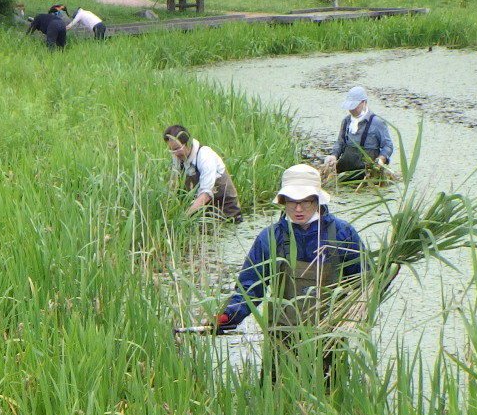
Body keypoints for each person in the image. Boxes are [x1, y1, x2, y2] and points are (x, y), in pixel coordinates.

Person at [213, 165, 365, 381]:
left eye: (305, 201)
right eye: (292, 201)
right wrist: (228, 316)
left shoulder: (341, 233)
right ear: (283, 202)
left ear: (317, 200)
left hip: (330, 339)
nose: (298, 209)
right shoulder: (271, 237)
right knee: (278, 398)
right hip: (282, 339)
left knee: (332, 399)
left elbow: (364, 281)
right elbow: (251, 287)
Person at [163, 124, 242, 222]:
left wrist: (183, 217)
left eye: (177, 149)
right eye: (171, 150)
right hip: (203, 215)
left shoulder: (205, 156)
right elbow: (173, 184)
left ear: (187, 143)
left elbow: (206, 194)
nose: (175, 154)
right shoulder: (178, 157)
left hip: (227, 214)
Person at [331, 85, 395, 182]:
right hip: (345, 172)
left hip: (367, 174)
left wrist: (381, 159)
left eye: (354, 106)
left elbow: (388, 145)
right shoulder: (346, 121)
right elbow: (340, 142)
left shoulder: (377, 123)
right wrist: (334, 156)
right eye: (350, 107)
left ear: (364, 102)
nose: (351, 110)